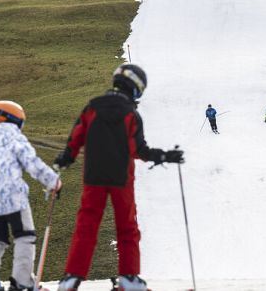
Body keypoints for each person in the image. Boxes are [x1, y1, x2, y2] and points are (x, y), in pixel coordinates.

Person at [54, 64, 184, 291]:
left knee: (86, 225)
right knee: (127, 227)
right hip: (121, 179)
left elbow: (76, 138)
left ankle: (71, 278)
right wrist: (165, 156)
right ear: (135, 89)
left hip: (93, 177)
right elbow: (139, 150)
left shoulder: (92, 107)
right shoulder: (131, 114)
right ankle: (129, 278)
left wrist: (66, 159)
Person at [0, 101, 63, 291]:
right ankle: (22, 282)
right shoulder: (14, 138)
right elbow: (32, 163)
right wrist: (53, 182)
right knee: (24, 236)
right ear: (14, 120)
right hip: (13, 198)